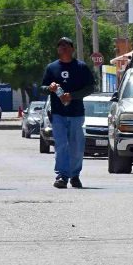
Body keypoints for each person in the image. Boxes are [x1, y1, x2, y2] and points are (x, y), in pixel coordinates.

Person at [40, 37, 95, 189]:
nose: (63, 48)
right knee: (61, 145)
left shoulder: (81, 67)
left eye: (66, 46)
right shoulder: (52, 68)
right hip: (58, 113)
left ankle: (75, 175)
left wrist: (72, 95)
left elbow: (91, 87)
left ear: (72, 49)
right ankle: (62, 176)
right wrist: (49, 88)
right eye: (60, 46)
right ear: (57, 50)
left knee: (76, 146)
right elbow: (42, 88)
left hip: (76, 113)